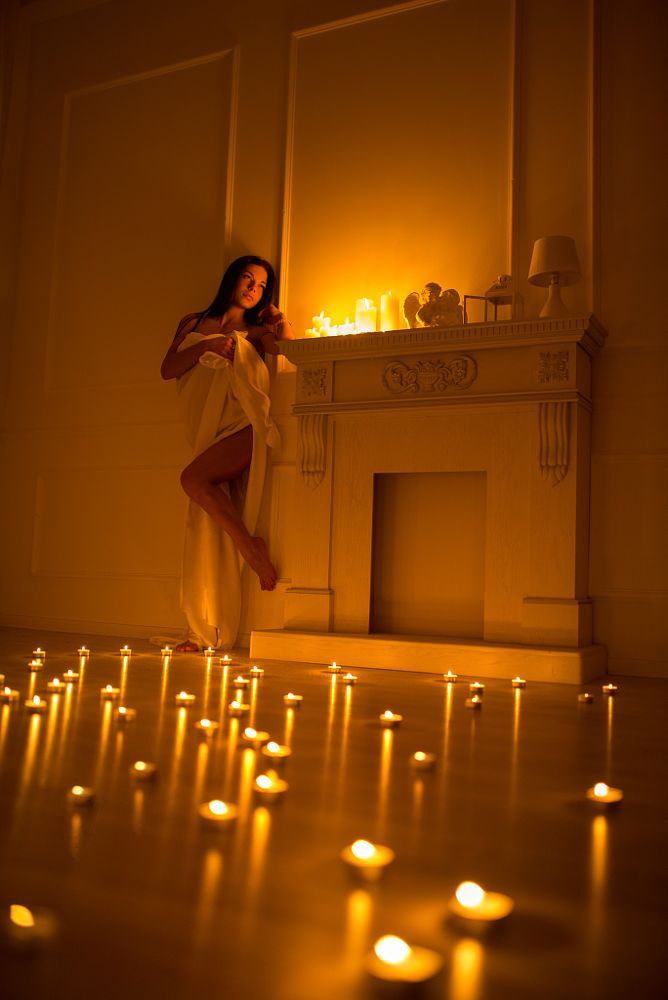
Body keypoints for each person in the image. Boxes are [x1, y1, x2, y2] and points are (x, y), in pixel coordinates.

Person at [160, 255, 294, 651]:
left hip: (244, 426)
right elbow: (169, 369)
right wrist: (214, 345)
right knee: (204, 522)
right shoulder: (191, 323)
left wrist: (279, 320)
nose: (252, 288)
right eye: (247, 279)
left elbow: (290, 352)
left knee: (191, 480)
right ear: (232, 279)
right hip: (205, 431)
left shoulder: (255, 333)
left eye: (260, 286)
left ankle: (252, 548)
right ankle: (204, 630)